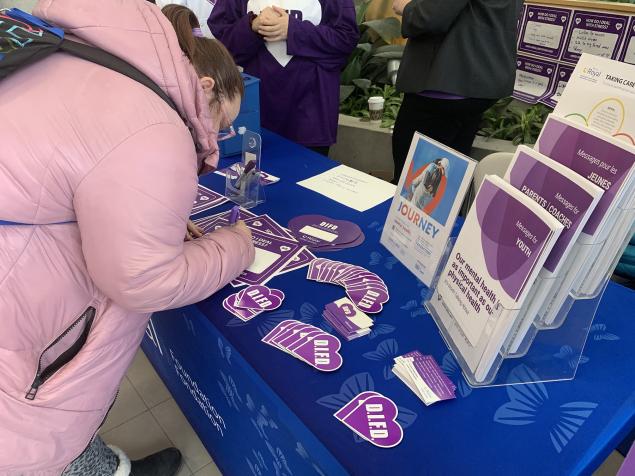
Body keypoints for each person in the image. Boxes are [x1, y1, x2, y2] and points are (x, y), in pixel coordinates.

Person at [0, 1, 254, 475]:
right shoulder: (154, 122)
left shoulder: (89, 57)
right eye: (222, 122)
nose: (220, 138)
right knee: (30, 435)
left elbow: (61, 177)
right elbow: (143, 281)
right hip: (19, 333)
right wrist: (237, 245)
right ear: (204, 88)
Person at [390, 0, 523, 182]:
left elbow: (432, 15)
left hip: (443, 85)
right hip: (476, 83)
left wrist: (407, 8)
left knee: (410, 186)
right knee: (448, 185)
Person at [208, 0, 359, 156]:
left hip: (310, 112)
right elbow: (224, 44)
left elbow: (346, 38)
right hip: (255, 113)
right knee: (252, 176)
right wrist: (253, 25)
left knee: (307, 174)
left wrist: (293, 29)